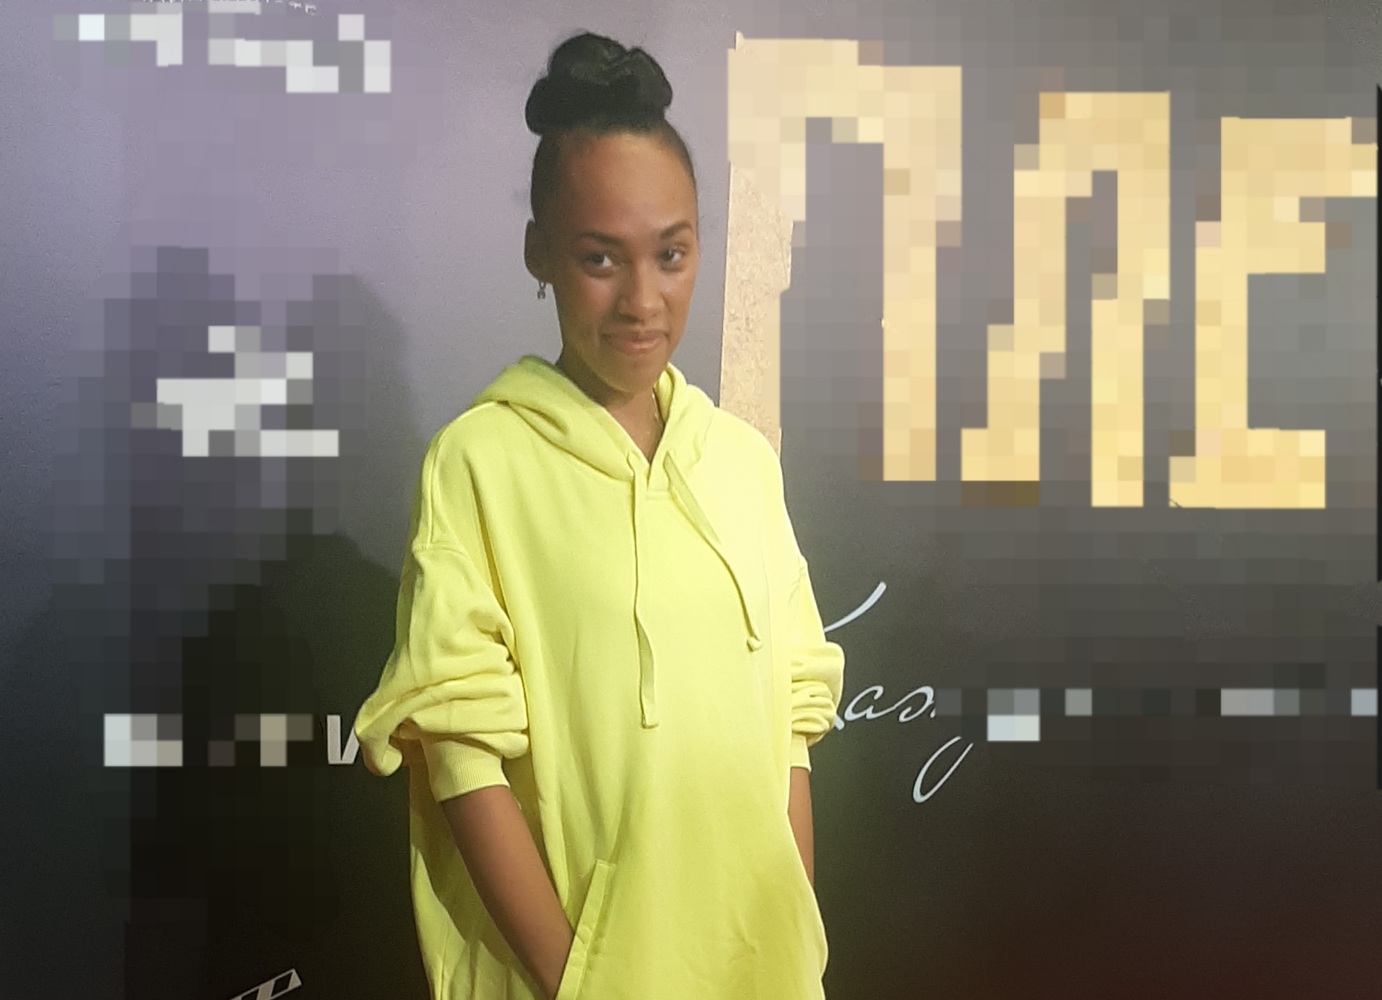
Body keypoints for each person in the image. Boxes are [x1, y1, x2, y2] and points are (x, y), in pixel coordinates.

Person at [353, 30, 845, 1000]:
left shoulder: (743, 464)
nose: (642, 300)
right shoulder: (478, 463)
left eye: (672, 253)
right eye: (599, 257)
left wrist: (793, 938)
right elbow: (462, 755)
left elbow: (791, 724)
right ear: (539, 252)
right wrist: (578, 981)